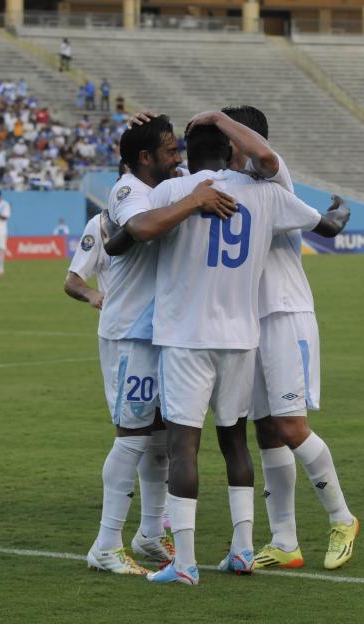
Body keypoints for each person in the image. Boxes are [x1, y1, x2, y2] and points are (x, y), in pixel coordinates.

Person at [142, 123, 350, 586]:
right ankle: (242, 550)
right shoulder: (266, 194)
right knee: (235, 439)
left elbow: (135, 231)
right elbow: (326, 225)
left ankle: (186, 562)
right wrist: (339, 210)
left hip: (186, 335)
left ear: (187, 155)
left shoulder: (175, 189)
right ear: (230, 151)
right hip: (242, 335)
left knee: (184, 445)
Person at [193, 106, 359, 571]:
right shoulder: (232, 187)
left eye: (234, 142)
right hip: (250, 323)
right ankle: (284, 539)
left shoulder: (272, 178)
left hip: (286, 314)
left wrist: (218, 117)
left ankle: (342, 518)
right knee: (265, 431)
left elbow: (264, 156)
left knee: (290, 425)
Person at [85, 116, 235, 576]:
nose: (178, 157)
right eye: (170, 150)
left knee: (162, 437)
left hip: (161, 332)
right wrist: (194, 201)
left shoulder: (164, 185)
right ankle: (106, 544)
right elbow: (144, 228)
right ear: (145, 158)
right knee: (132, 436)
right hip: (131, 330)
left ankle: (151, 534)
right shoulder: (130, 190)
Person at [64, 212, 110, 310]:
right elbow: (71, 282)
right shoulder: (98, 225)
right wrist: (91, 294)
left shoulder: (149, 227)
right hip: (114, 323)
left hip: (150, 322)